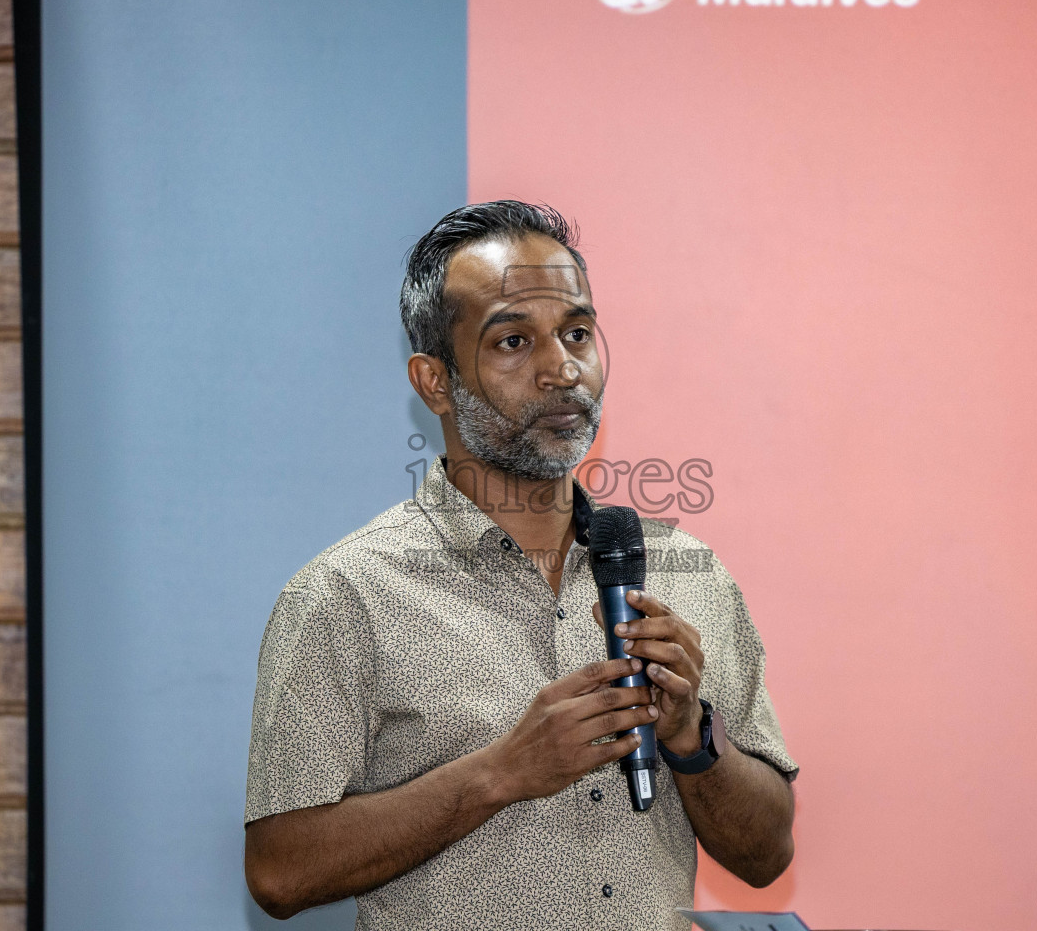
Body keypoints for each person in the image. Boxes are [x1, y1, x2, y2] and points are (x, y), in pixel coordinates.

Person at [244, 201, 797, 930]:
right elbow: (279, 871)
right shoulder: (347, 595)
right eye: (512, 341)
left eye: (576, 333)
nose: (562, 369)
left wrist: (692, 735)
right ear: (435, 381)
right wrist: (498, 773)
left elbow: (767, 854)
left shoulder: (683, 572)